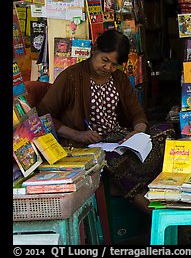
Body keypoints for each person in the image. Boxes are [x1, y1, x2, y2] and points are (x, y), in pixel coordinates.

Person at [37, 29, 176, 214]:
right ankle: (151, 211)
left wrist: (138, 131)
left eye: (114, 65)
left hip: (119, 139)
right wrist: (78, 134)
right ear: (95, 50)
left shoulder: (119, 78)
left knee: (167, 132)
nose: (108, 68)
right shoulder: (71, 77)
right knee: (115, 162)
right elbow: (44, 116)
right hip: (88, 144)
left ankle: (156, 194)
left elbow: (137, 112)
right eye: (105, 60)